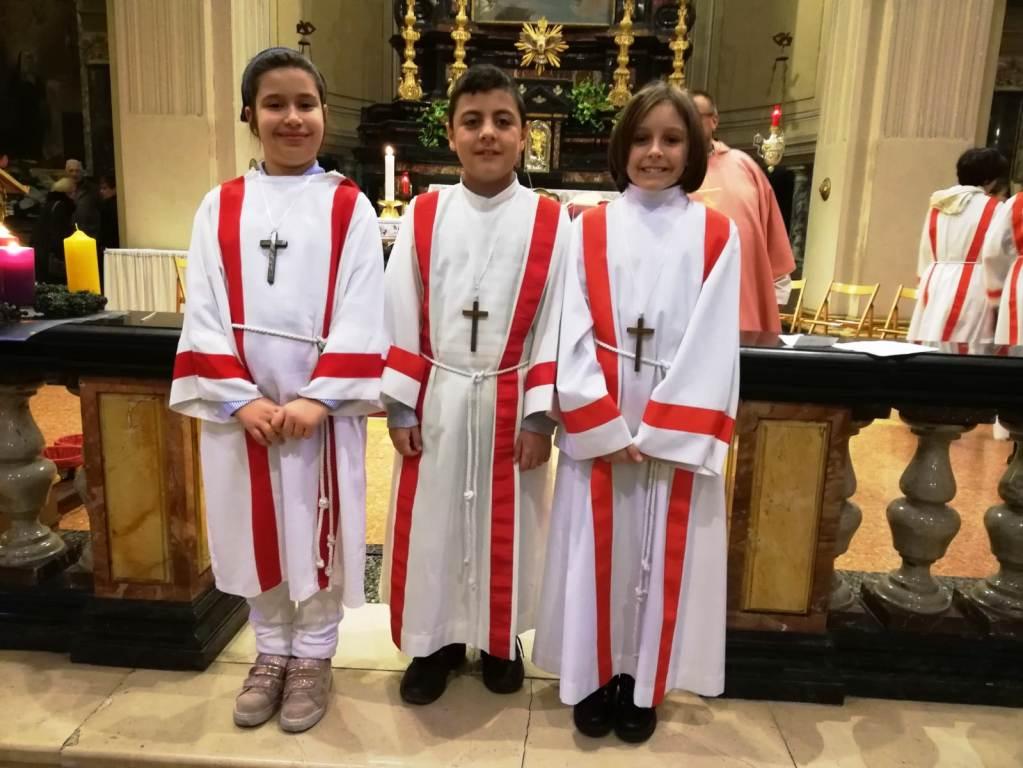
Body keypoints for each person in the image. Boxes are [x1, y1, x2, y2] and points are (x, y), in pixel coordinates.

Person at [168, 47, 385, 733]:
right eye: (275, 104)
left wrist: (320, 398)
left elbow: (364, 305)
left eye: (305, 104)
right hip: (245, 409)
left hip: (320, 410)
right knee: (249, 524)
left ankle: (313, 654)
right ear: (249, 115)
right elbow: (203, 308)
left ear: (323, 114)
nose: (293, 118)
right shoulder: (220, 205)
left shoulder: (348, 206)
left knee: (315, 526)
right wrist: (240, 398)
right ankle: (269, 650)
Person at [533, 82, 740, 744]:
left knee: (660, 555)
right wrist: (600, 423)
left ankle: (643, 682)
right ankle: (593, 676)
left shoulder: (717, 233)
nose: (655, 151)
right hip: (606, 423)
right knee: (597, 553)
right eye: (643, 138)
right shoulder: (588, 227)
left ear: (694, 149)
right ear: (621, 146)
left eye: (672, 139)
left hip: (670, 428)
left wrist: (665, 432)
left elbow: (716, 339)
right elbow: (566, 327)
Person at [380, 63, 569, 706]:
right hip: (438, 396)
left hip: (512, 402)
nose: (487, 133)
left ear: (524, 135)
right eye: (472, 121)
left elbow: (556, 322)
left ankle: (497, 638)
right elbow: (399, 309)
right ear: (451, 134)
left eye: (502, 121)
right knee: (433, 526)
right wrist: (400, 406)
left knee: (506, 527)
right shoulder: (425, 213)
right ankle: (432, 644)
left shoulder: (551, 222)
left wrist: (540, 417)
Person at [690, 90, 794, 332]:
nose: (688, 123)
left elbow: (771, 231)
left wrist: (775, 294)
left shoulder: (743, 166)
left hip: (743, 297)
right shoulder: (670, 171)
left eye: (694, 115)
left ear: (714, 120)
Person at [906, 148, 1008, 343]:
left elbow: (926, 249)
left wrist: (923, 282)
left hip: (935, 279)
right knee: (966, 347)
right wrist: (1000, 290)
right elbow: (996, 254)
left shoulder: (938, 204)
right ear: (988, 179)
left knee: (930, 340)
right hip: (974, 283)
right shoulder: (995, 208)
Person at [31, 176, 76, 283]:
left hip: (41, 252)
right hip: (52, 255)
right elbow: (58, 232)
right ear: (68, 192)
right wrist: (62, 254)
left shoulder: (49, 204)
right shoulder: (62, 207)